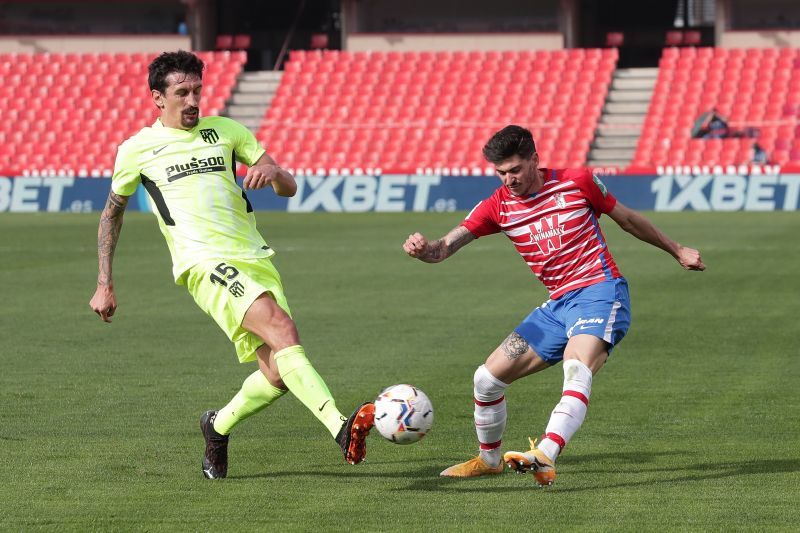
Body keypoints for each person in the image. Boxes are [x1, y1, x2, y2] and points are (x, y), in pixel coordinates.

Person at [88, 50, 374, 479]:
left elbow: (288, 187)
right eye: (181, 92)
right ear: (157, 98)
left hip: (254, 257)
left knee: (278, 372)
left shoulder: (226, 131)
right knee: (282, 328)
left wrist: (272, 172)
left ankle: (216, 427)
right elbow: (112, 212)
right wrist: (104, 282)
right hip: (203, 263)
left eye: (197, 91)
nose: (192, 100)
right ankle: (340, 427)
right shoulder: (136, 150)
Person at [403, 125, 705, 486]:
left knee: (577, 368)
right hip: (558, 306)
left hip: (600, 291)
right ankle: (489, 460)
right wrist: (424, 251)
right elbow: (444, 248)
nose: (508, 179)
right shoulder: (497, 206)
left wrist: (677, 250)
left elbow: (627, 219)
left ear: (535, 159)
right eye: (500, 172)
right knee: (486, 380)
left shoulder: (578, 182)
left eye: (515, 170)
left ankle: (546, 454)